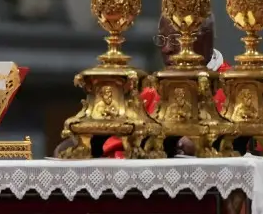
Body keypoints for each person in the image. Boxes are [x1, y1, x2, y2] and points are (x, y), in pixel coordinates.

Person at [58, 13, 231, 158]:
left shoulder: (233, 90)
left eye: (176, 39)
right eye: (162, 39)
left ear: (205, 38)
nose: (166, 48)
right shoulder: (149, 95)